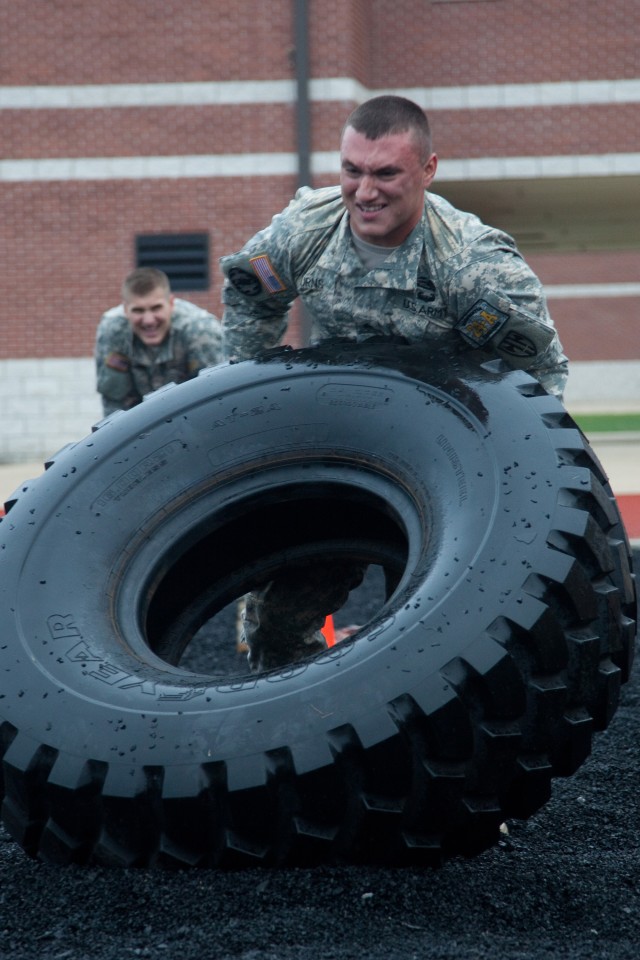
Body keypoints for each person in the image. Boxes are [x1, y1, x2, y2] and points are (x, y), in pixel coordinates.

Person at [219, 94, 569, 672]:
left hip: (451, 463)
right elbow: (249, 299)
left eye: (386, 173)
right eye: (352, 170)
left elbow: (539, 377)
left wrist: (516, 490)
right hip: (347, 445)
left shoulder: (474, 266)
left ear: (428, 170)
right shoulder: (307, 229)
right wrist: (257, 405)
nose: (364, 191)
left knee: (440, 639)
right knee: (278, 624)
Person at [95, 267, 224, 416]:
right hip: (140, 424)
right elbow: (114, 402)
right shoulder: (113, 331)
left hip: (194, 420)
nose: (149, 321)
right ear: (125, 310)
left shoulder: (201, 330)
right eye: (138, 310)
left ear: (171, 303)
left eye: (156, 308)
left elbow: (216, 400)